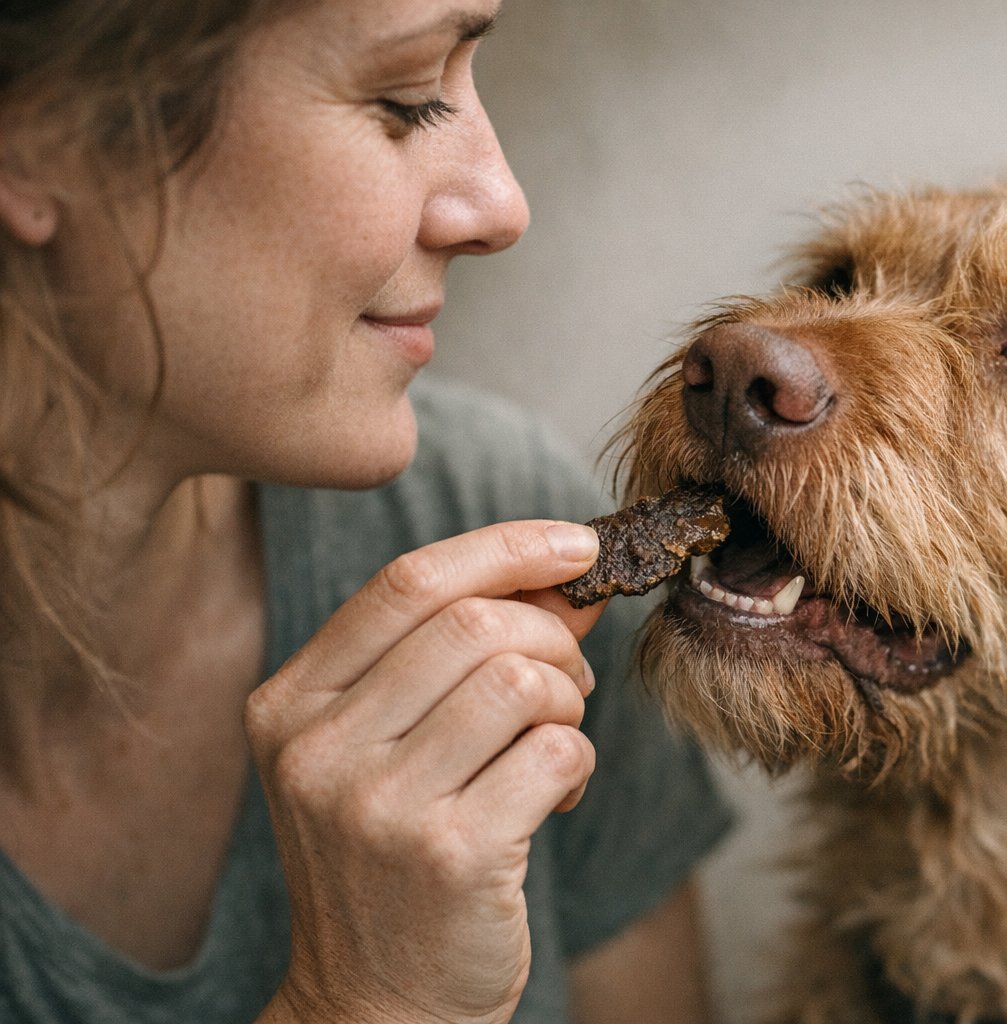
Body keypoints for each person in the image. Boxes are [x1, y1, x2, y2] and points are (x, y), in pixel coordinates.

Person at [0, 1, 732, 1021]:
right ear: (42, 134)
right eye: (404, 100)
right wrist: (361, 1002)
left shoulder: (496, 531)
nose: (501, 204)